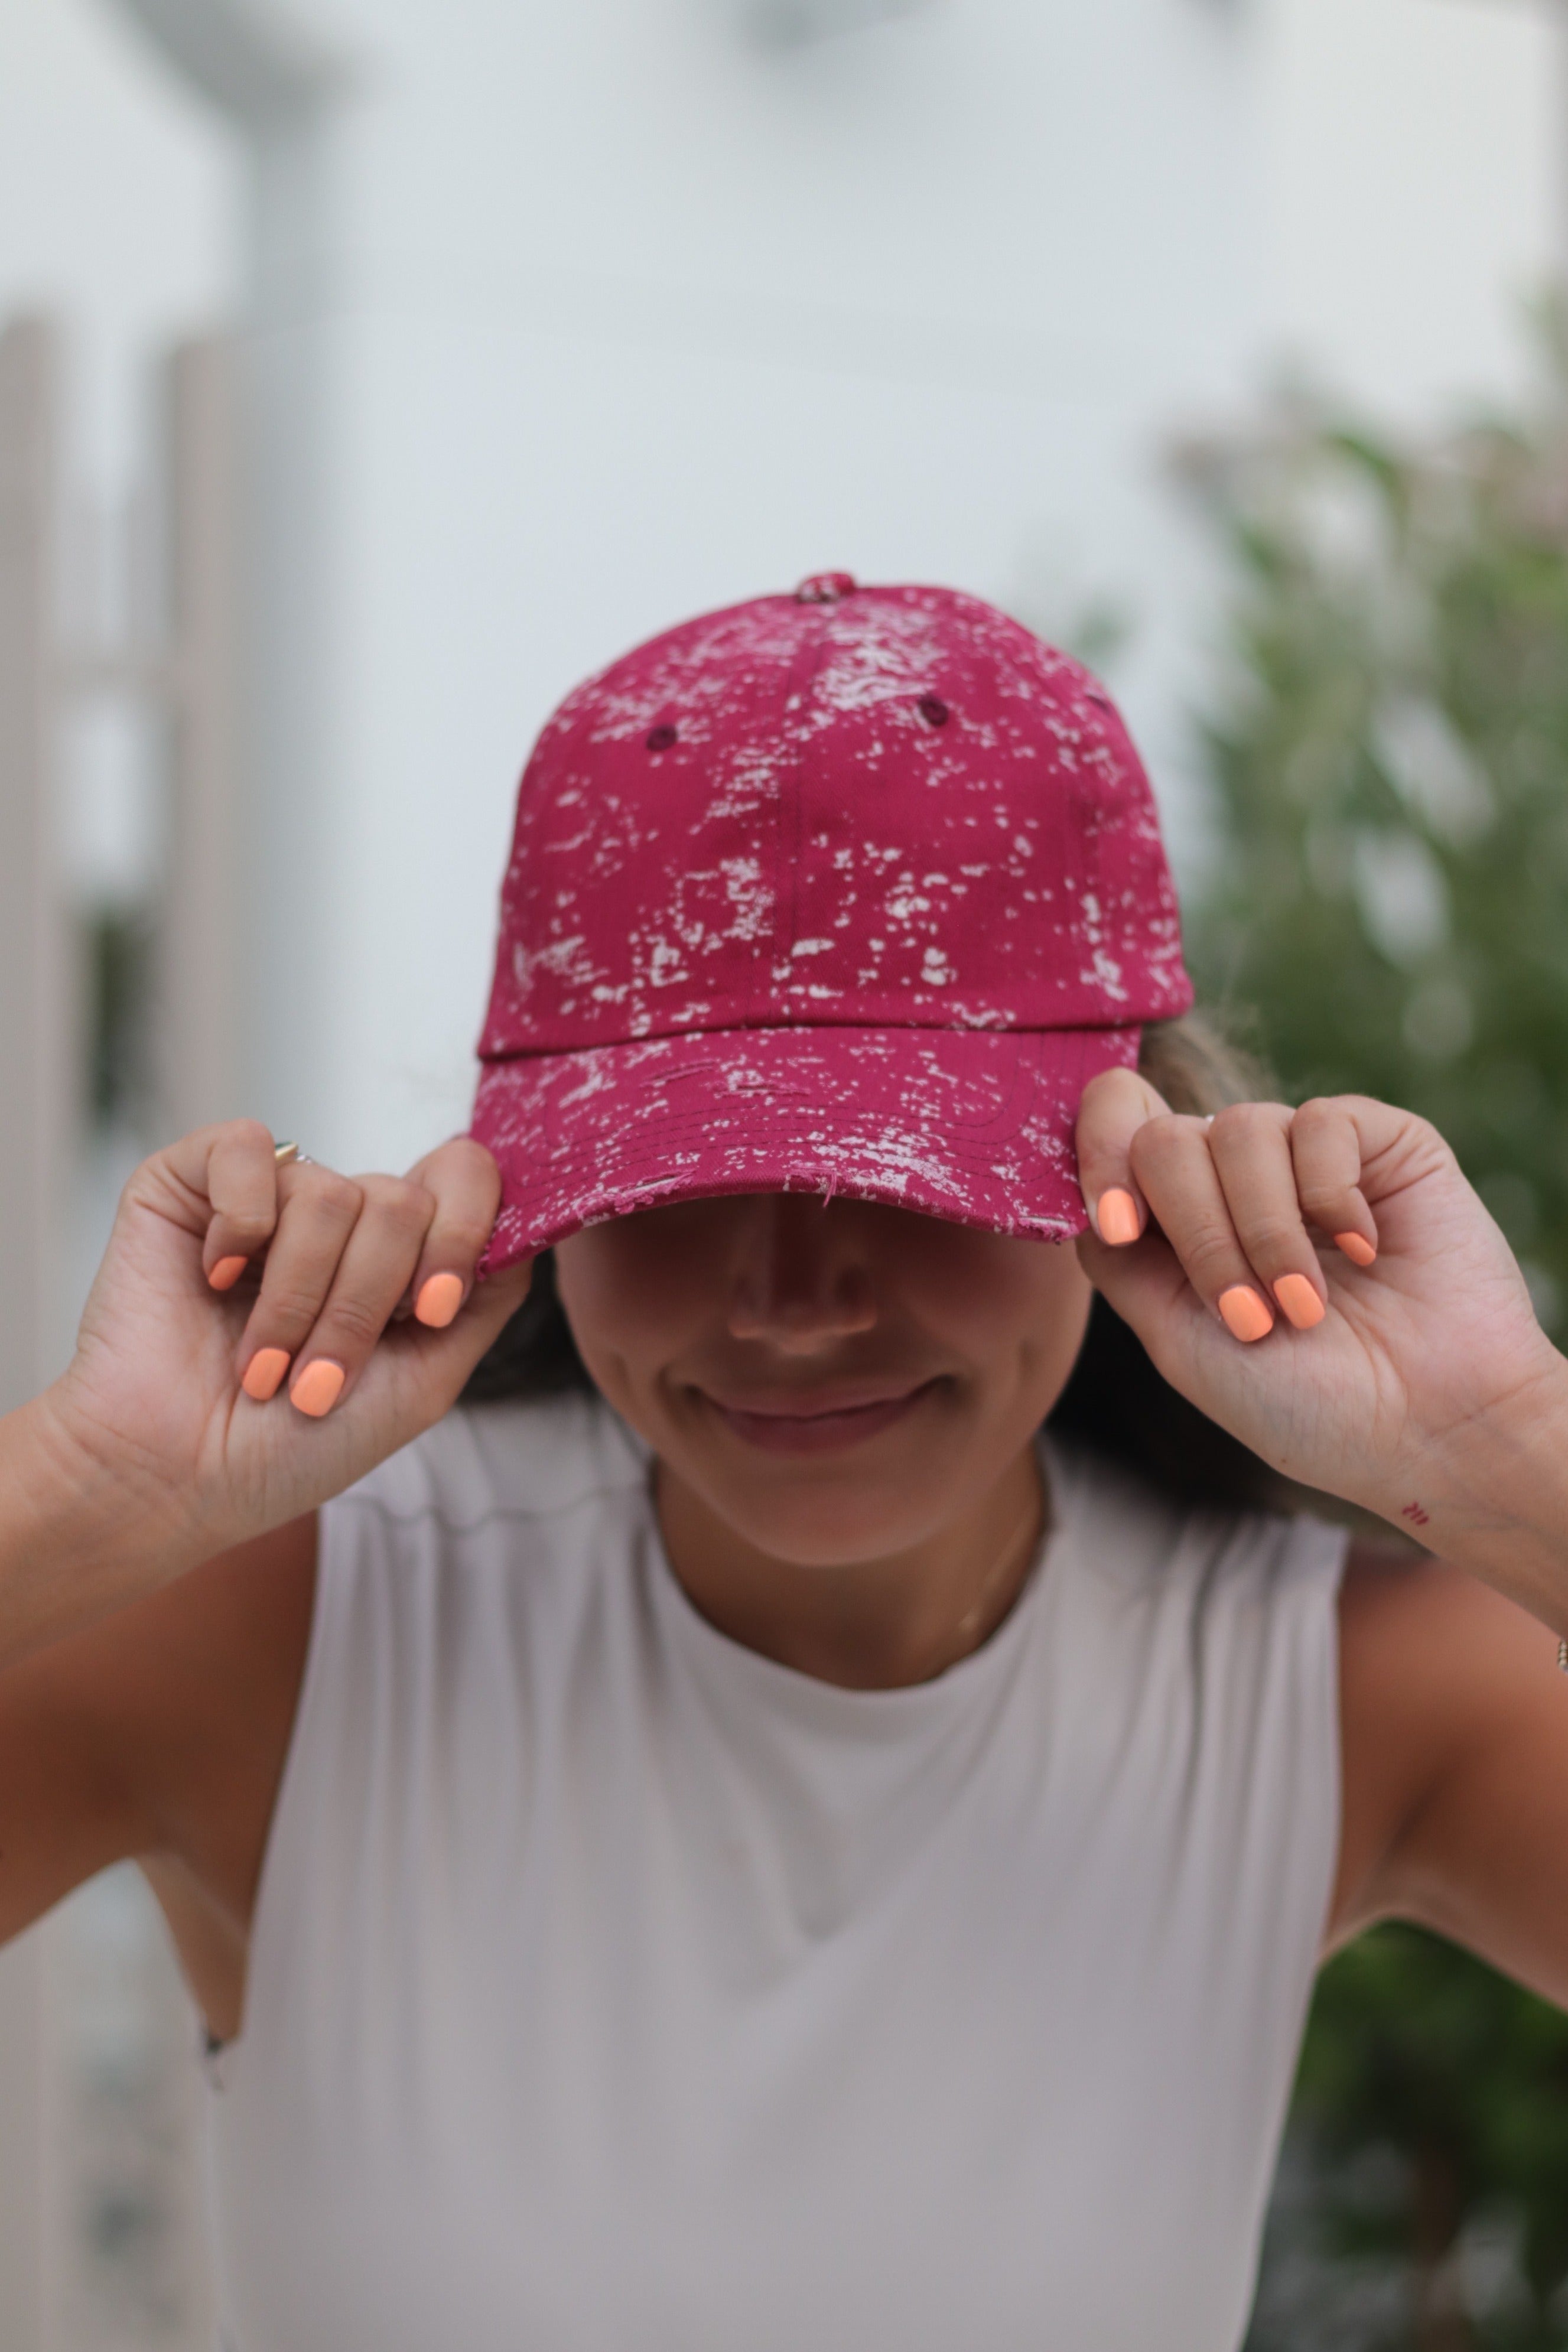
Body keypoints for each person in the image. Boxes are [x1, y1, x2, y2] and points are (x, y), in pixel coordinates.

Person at [2, 575, 1567, 2352]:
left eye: (912, 1177)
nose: (795, 1296)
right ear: (535, 1185)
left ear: (1128, 1151)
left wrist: (1505, 1448)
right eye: (681, 1182)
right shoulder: (302, 1634)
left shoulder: (1314, 1682)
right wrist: (96, 1489)